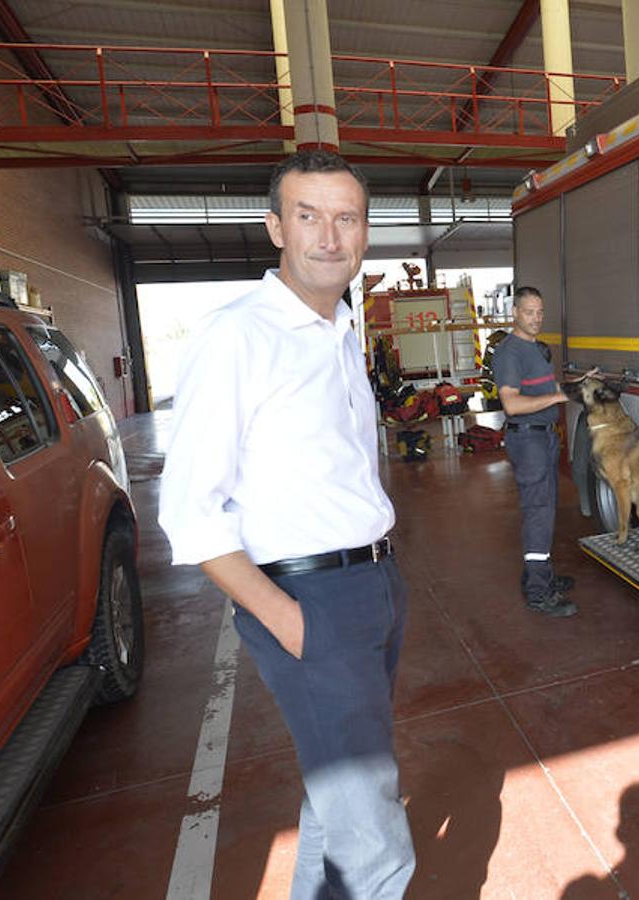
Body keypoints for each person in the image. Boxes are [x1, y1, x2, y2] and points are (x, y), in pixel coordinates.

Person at [158, 149, 414, 898]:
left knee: (339, 810)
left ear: (365, 233)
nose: (329, 236)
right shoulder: (237, 335)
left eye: (346, 218)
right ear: (276, 227)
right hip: (309, 604)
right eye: (309, 217)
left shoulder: (340, 329)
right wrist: (284, 617)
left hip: (372, 585)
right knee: (374, 841)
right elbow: (188, 512)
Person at [492, 286, 594, 618]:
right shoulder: (509, 353)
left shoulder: (536, 348)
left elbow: (545, 388)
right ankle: (538, 593)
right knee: (538, 510)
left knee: (546, 509)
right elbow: (511, 403)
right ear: (515, 313)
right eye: (529, 312)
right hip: (528, 440)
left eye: (540, 312)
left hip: (544, 438)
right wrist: (562, 398)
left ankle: (540, 575)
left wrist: (576, 383)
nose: (536, 318)